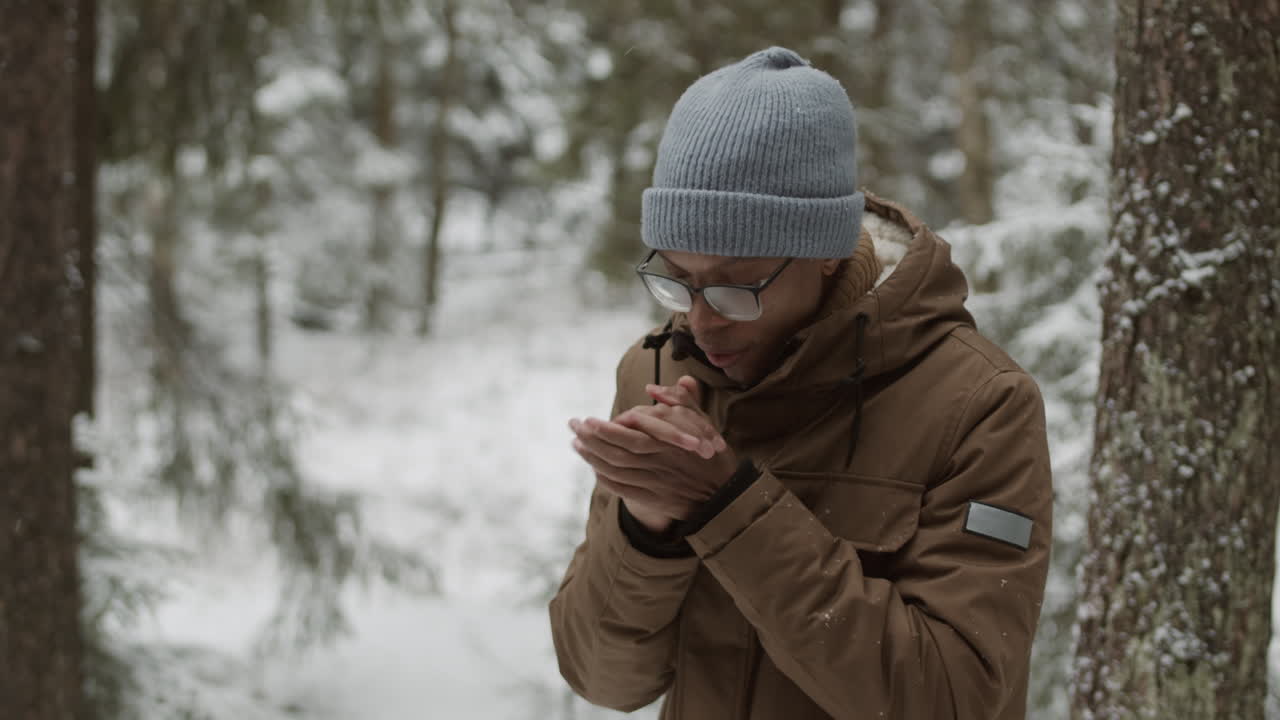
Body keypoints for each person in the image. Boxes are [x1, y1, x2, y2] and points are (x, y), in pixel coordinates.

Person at [548, 46, 1052, 720]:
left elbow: (957, 700)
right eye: (677, 279)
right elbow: (604, 680)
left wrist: (729, 507)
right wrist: (646, 528)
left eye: (735, 287)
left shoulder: (980, 406)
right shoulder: (657, 370)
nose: (701, 322)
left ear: (826, 255)